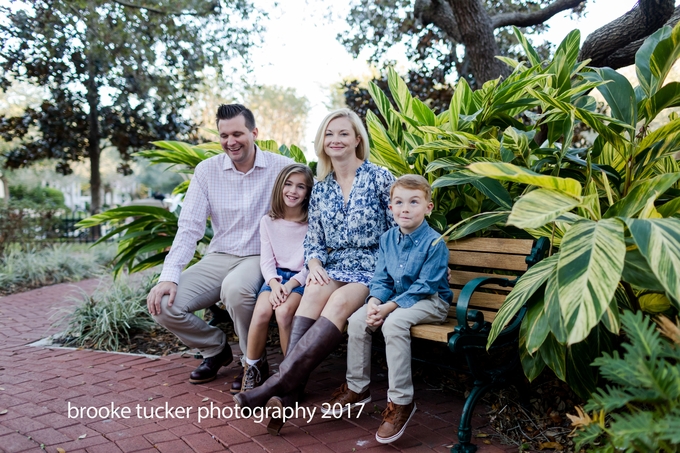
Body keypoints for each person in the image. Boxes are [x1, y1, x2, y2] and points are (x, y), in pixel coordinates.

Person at [233, 108, 396, 434]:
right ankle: (289, 392)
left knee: (336, 304)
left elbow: (402, 228)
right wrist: (316, 264)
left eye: (343, 133)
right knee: (311, 296)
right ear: (322, 142)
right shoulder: (321, 189)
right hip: (334, 265)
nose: (336, 139)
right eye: (329, 134)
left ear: (357, 139)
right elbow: (315, 241)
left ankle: (276, 386)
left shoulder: (380, 177)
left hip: (373, 266)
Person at [146, 104, 293, 387]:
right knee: (163, 304)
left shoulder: (281, 168)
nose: (230, 142)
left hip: (258, 256)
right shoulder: (207, 171)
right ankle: (215, 348)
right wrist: (169, 276)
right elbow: (189, 227)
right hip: (220, 255)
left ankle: (255, 361)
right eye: (224, 135)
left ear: (254, 133)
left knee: (236, 290)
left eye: (237, 133)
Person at [324, 174, 453, 443]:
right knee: (359, 319)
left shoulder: (434, 243)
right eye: (399, 202)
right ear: (391, 208)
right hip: (393, 301)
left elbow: (426, 286)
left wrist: (389, 308)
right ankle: (358, 387)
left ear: (428, 207)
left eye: (414, 202)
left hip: (431, 302)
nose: (405, 208)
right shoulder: (387, 239)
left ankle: (401, 402)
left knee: (393, 323)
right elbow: (381, 279)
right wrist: (373, 302)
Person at [240, 163, 314, 393]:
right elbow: (267, 261)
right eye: (288, 184)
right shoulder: (268, 221)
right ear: (280, 187)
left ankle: (290, 375)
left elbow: (313, 262)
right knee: (261, 311)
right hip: (276, 278)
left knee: (283, 313)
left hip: (301, 279)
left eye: (300, 186)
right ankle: (251, 369)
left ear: (308, 192)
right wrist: (273, 284)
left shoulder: (312, 222)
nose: (293, 191)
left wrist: (291, 285)